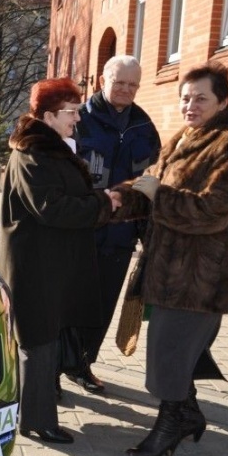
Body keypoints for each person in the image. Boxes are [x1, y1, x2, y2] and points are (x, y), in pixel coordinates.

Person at [110, 61, 228, 456]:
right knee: (173, 352)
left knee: (169, 353)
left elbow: (215, 210)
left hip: (202, 276)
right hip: (170, 269)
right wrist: (114, 199)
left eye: (201, 98)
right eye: (185, 98)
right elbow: (151, 184)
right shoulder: (184, 138)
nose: (190, 105)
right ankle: (188, 414)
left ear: (223, 101)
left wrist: (160, 195)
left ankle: (170, 424)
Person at [0, 78, 117, 444]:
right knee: (38, 342)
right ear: (49, 115)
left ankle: (35, 414)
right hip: (34, 266)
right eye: (72, 112)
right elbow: (52, 207)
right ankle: (36, 421)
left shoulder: (50, 149)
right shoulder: (32, 153)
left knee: (44, 339)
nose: (78, 119)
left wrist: (102, 198)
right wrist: (103, 204)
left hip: (49, 263)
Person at [68, 55, 162, 395]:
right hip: (80, 230)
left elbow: (152, 180)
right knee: (68, 302)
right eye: (119, 82)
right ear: (102, 80)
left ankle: (82, 364)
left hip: (121, 234)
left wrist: (148, 236)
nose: (125, 89)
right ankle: (51, 370)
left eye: (132, 84)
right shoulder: (78, 119)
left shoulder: (144, 127)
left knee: (103, 304)